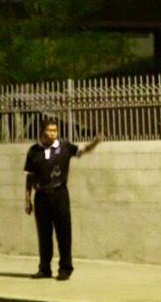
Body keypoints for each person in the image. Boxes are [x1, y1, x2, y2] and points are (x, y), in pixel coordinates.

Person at [24, 118, 103, 280]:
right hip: (41, 196)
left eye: (55, 130)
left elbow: (83, 150)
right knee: (44, 234)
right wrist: (27, 199)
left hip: (59, 194)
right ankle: (44, 269)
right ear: (42, 131)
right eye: (50, 130)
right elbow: (30, 176)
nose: (53, 134)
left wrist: (95, 142)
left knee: (64, 233)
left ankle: (65, 269)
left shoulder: (65, 147)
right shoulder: (33, 151)